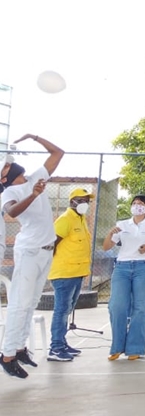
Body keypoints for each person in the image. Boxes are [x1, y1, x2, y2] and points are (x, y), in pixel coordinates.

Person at [0, 134, 64, 379]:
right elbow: (12, 212)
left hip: (45, 250)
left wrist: (35, 138)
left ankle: (19, 348)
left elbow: (58, 153)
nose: (8, 165)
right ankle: (7, 356)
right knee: (19, 303)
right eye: (5, 165)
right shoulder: (10, 191)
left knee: (32, 301)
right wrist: (34, 195)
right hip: (28, 251)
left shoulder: (35, 178)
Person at [102, 195, 145, 361]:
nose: (137, 206)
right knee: (116, 305)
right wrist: (110, 234)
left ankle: (135, 348)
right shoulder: (122, 224)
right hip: (122, 267)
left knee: (140, 307)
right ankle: (117, 346)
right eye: (134, 203)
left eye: (141, 204)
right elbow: (106, 246)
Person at [47, 187, 96, 362]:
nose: (85, 203)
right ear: (72, 202)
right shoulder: (65, 219)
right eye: (81, 200)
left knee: (67, 310)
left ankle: (61, 342)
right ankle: (55, 348)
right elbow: (51, 245)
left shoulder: (80, 219)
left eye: (87, 200)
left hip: (77, 272)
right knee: (61, 311)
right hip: (64, 273)